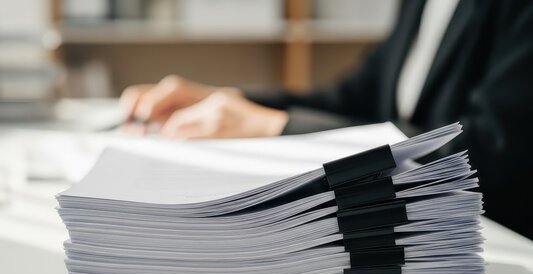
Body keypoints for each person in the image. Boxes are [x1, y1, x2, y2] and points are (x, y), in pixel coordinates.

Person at [120, 0, 533, 239]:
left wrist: (274, 127)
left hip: (491, 241)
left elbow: (485, 154)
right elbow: (353, 100)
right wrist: (228, 99)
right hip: (406, 223)